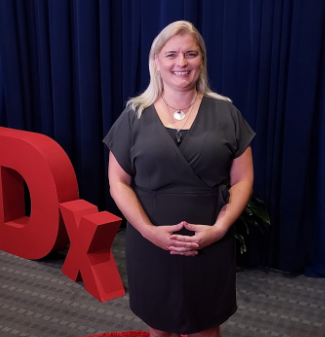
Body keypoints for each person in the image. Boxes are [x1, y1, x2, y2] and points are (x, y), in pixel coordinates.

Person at [103, 21, 255, 337]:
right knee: (159, 325)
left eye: (191, 53)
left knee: (206, 325)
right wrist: (147, 230)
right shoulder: (134, 115)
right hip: (151, 243)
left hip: (211, 240)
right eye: (171, 54)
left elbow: (242, 180)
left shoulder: (227, 112)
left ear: (202, 60)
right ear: (156, 61)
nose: (181, 63)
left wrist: (221, 228)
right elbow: (118, 181)